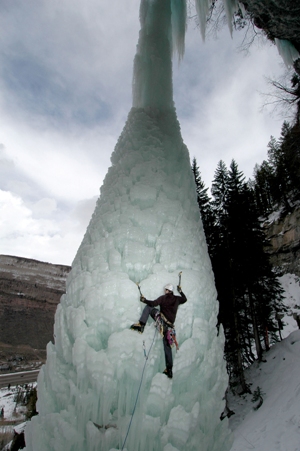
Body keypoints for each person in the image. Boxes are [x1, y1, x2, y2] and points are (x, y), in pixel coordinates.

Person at [130, 283, 187, 379]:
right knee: (167, 347)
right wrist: (180, 291)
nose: (165, 291)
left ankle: (141, 325)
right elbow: (185, 299)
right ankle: (169, 370)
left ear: (167, 291)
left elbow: (153, 304)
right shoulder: (177, 299)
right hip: (169, 328)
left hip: (161, 321)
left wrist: (144, 300)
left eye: (165, 290)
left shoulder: (164, 298)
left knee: (148, 308)